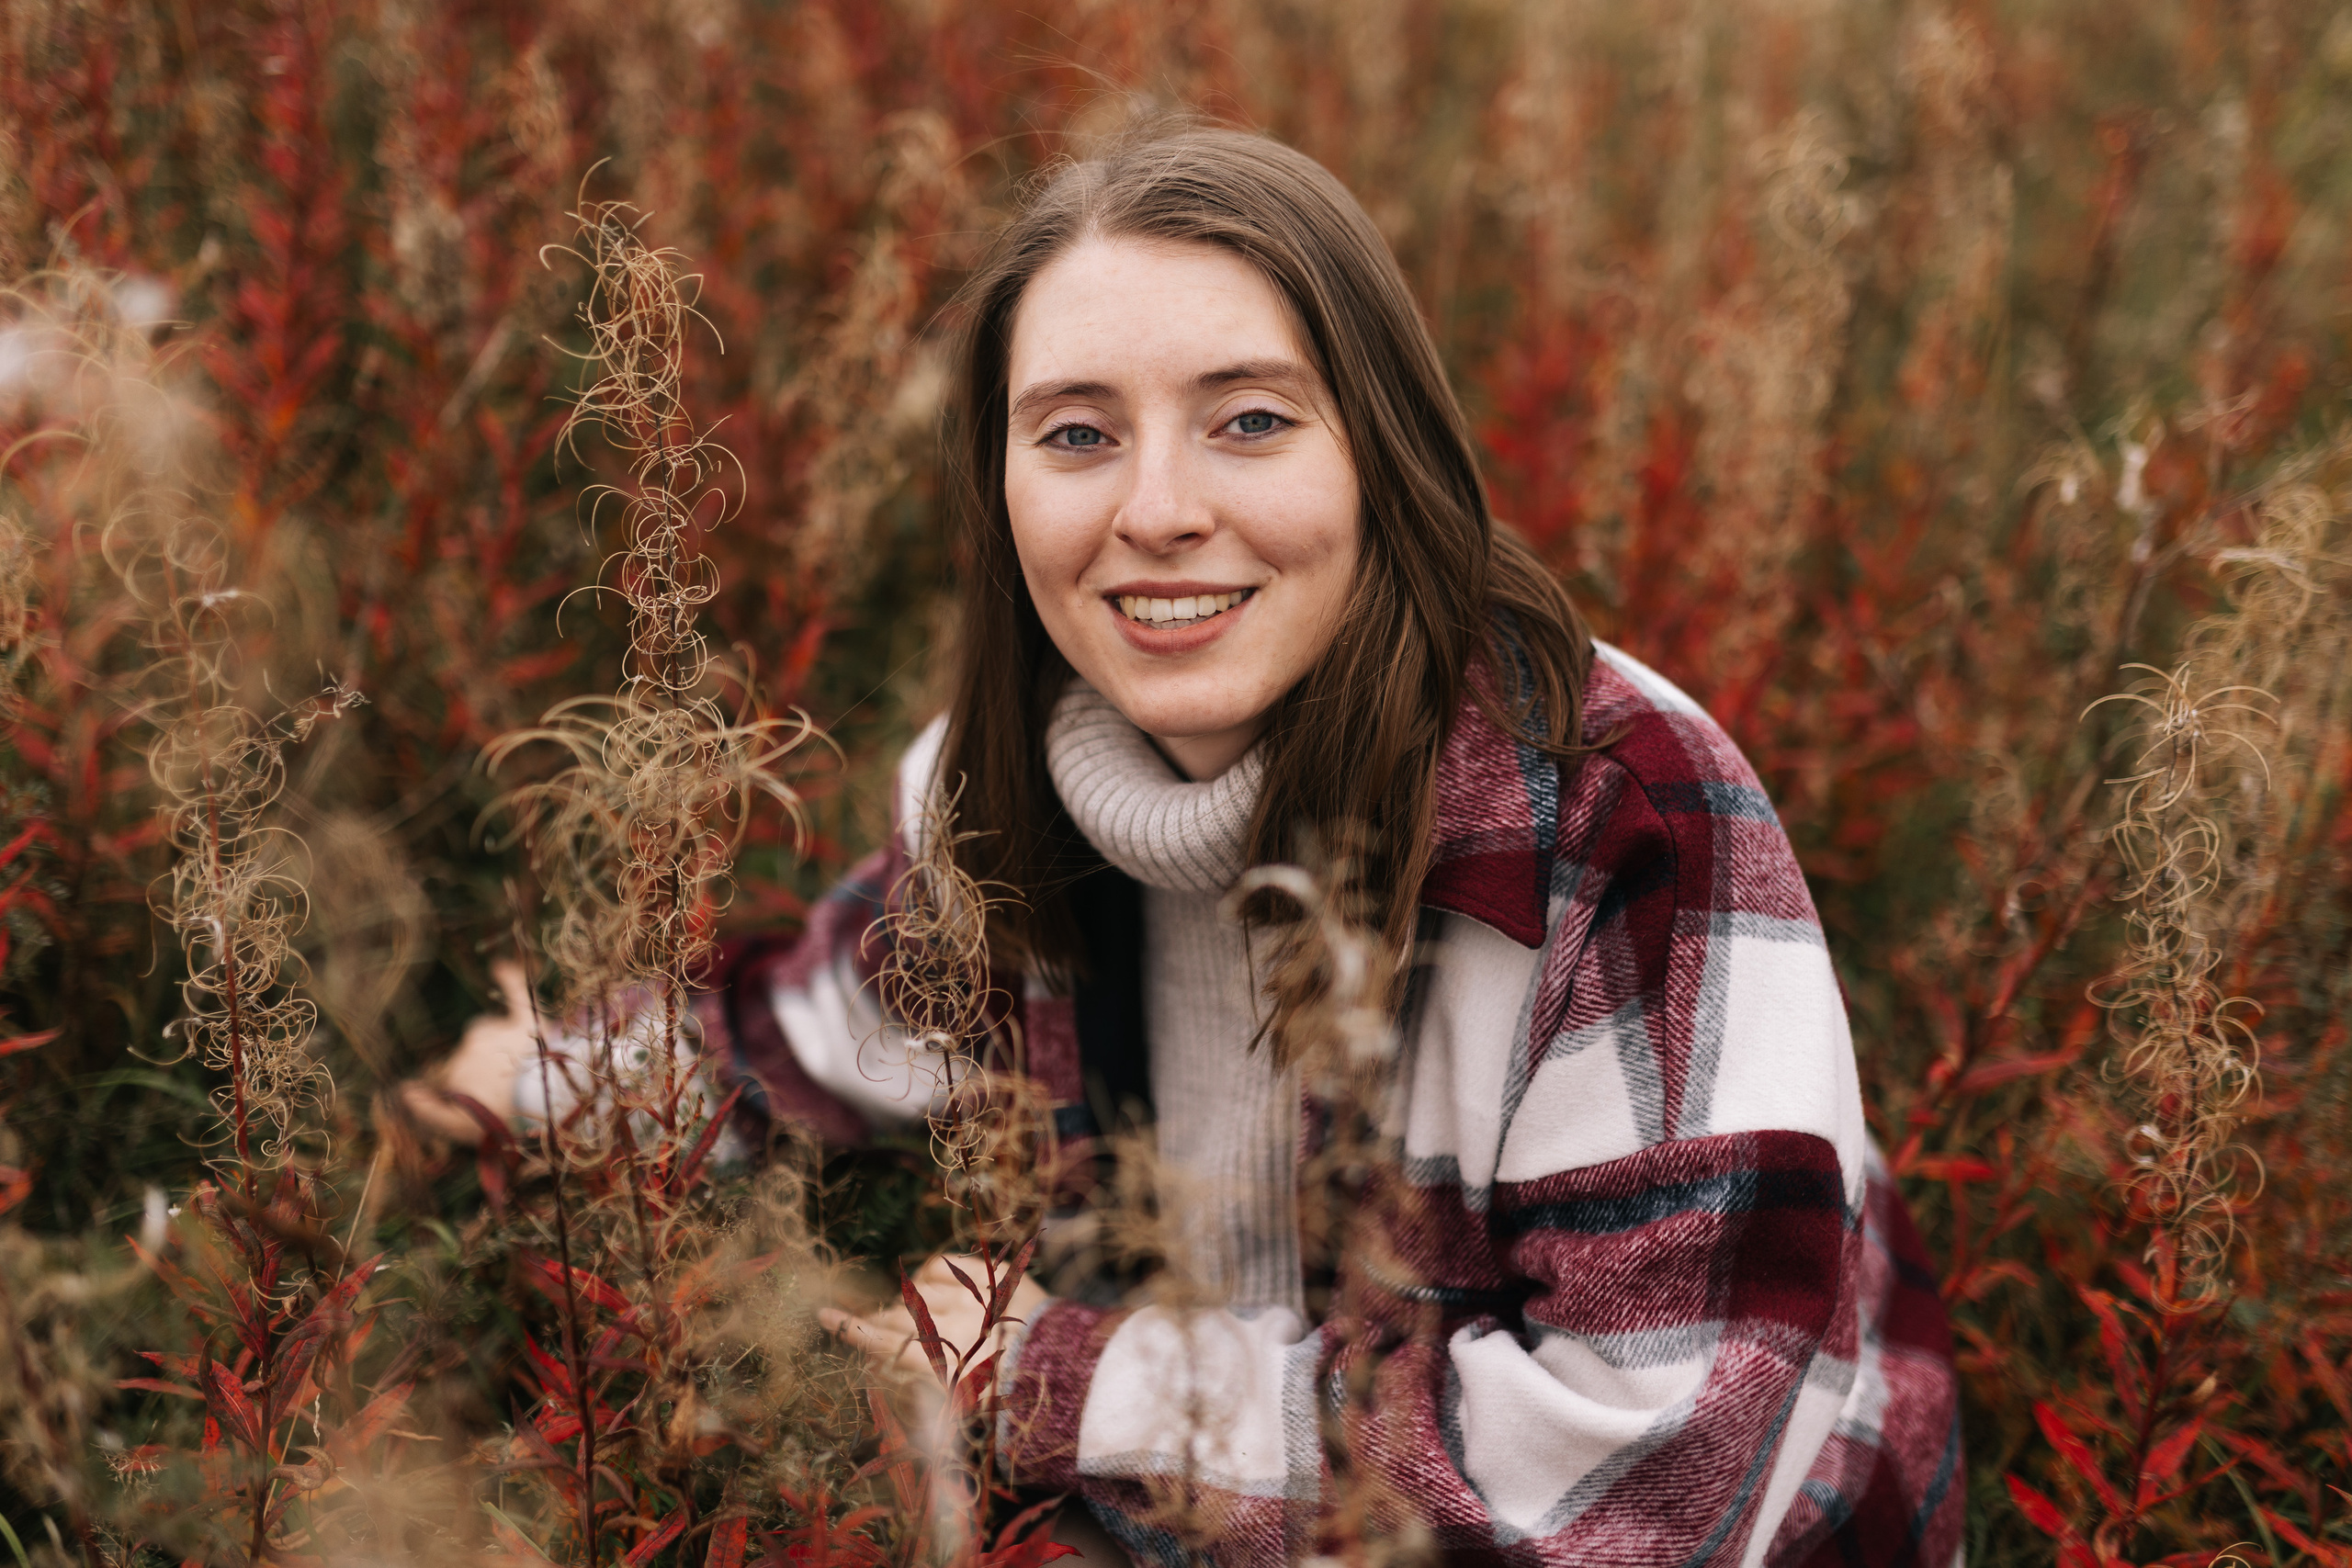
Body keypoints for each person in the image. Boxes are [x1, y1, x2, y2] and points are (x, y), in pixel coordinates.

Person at [416, 123, 1963, 1565]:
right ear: (1001, 487)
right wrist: (558, 1086)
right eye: (1078, 433)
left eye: (1250, 421)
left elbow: (1651, 1481)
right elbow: (824, 1023)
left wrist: (1078, 1384)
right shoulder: (997, 795)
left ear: (1383, 455)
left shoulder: (1612, 817)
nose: (1156, 511)